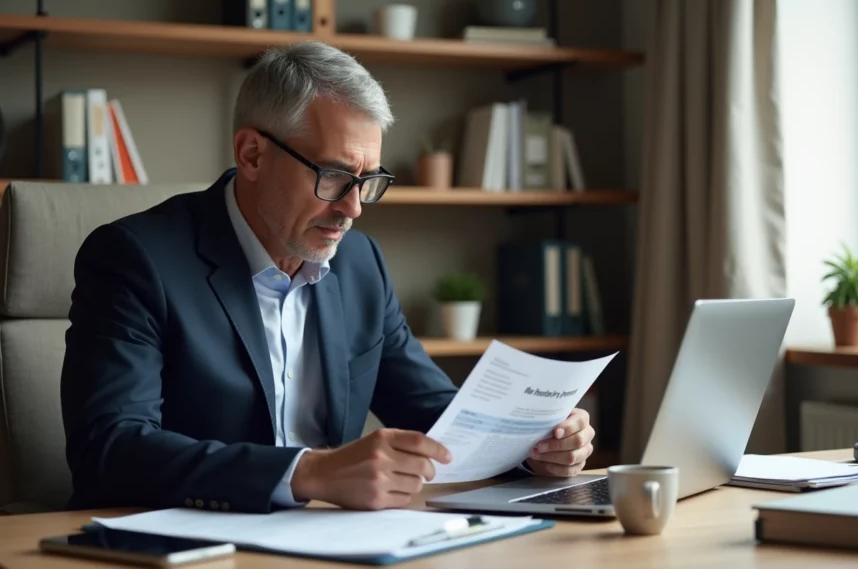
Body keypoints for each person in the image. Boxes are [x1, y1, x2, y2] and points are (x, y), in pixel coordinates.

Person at [60, 41, 596, 514]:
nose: (354, 208)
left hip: (332, 542)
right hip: (189, 545)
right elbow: (109, 449)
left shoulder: (361, 265)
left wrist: (534, 444)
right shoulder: (136, 258)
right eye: (336, 176)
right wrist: (308, 473)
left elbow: (438, 418)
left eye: (369, 181)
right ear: (252, 153)